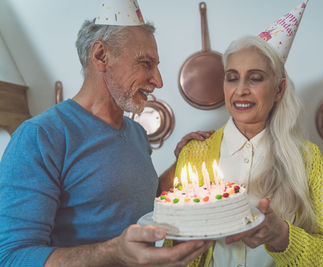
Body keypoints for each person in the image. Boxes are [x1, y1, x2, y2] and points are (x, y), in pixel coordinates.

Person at [0, 1, 212, 266]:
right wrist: (113, 253)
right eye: (146, 63)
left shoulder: (136, 132)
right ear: (101, 55)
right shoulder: (39, 136)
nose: (158, 81)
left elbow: (132, 203)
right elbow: (12, 257)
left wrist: (179, 165)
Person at [159, 1, 323, 266]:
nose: (241, 90)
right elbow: (173, 251)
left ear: (279, 90)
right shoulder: (195, 152)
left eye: (256, 78)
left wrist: (281, 235)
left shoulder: (307, 157)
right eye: (232, 77)